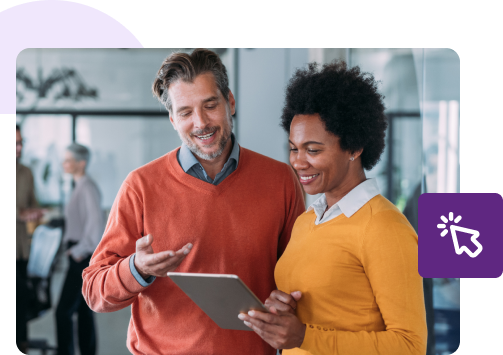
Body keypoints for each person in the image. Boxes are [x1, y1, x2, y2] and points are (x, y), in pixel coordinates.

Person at [82, 48, 305, 355]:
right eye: (186, 112)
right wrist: (137, 268)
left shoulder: (280, 180)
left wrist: (288, 299)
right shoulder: (140, 186)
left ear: (231, 102)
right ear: (173, 119)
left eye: (210, 105)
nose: (201, 123)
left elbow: (301, 275)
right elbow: (95, 292)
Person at [238, 61, 427, 355]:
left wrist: (304, 337)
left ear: (354, 147)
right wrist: (283, 310)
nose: (299, 162)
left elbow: (410, 345)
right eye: (294, 148)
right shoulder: (306, 221)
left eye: (313, 150)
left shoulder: (386, 228)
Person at [56, 143, 104, 355]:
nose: (64, 163)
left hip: (81, 257)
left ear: (81, 163)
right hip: (78, 253)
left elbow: (95, 227)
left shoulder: (87, 187)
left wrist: (77, 251)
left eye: (68, 160)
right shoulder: (79, 186)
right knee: (84, 310)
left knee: (63, 312)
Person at [16, 124, 45, 352]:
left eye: (21, 143)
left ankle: (22, 343)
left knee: (22, 297)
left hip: (22, 249)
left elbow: (33, 202)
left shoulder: (26, 172)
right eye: (15, 143)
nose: (19, 148)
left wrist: (35, 211)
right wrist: (20, 213)